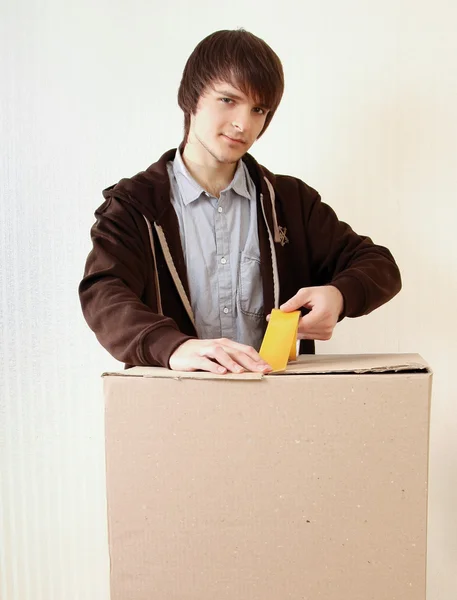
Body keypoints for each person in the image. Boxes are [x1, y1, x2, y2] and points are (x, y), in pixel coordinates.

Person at [79, 29, 401, 375]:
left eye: (259, 109)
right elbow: (103, 293)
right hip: (171, 408)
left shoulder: (290, 202)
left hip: (279, 410)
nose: (242, 124)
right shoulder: (134, 204)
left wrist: (339, 297)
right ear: (192, 97)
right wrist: (173, 347)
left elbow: (379, 265)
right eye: (228, 100)